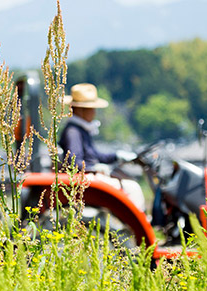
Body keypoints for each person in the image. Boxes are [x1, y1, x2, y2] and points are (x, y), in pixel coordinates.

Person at [58, 83, 146, 212]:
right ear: (81, 110)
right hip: (87, 178)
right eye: (91, 109)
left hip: (90, 174)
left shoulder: (81, 130)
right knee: (132, 188)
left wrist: (116, 155)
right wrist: (94, 168)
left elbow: (95, 155)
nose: (94, 112)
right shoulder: (73, 132)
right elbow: (74, 162)